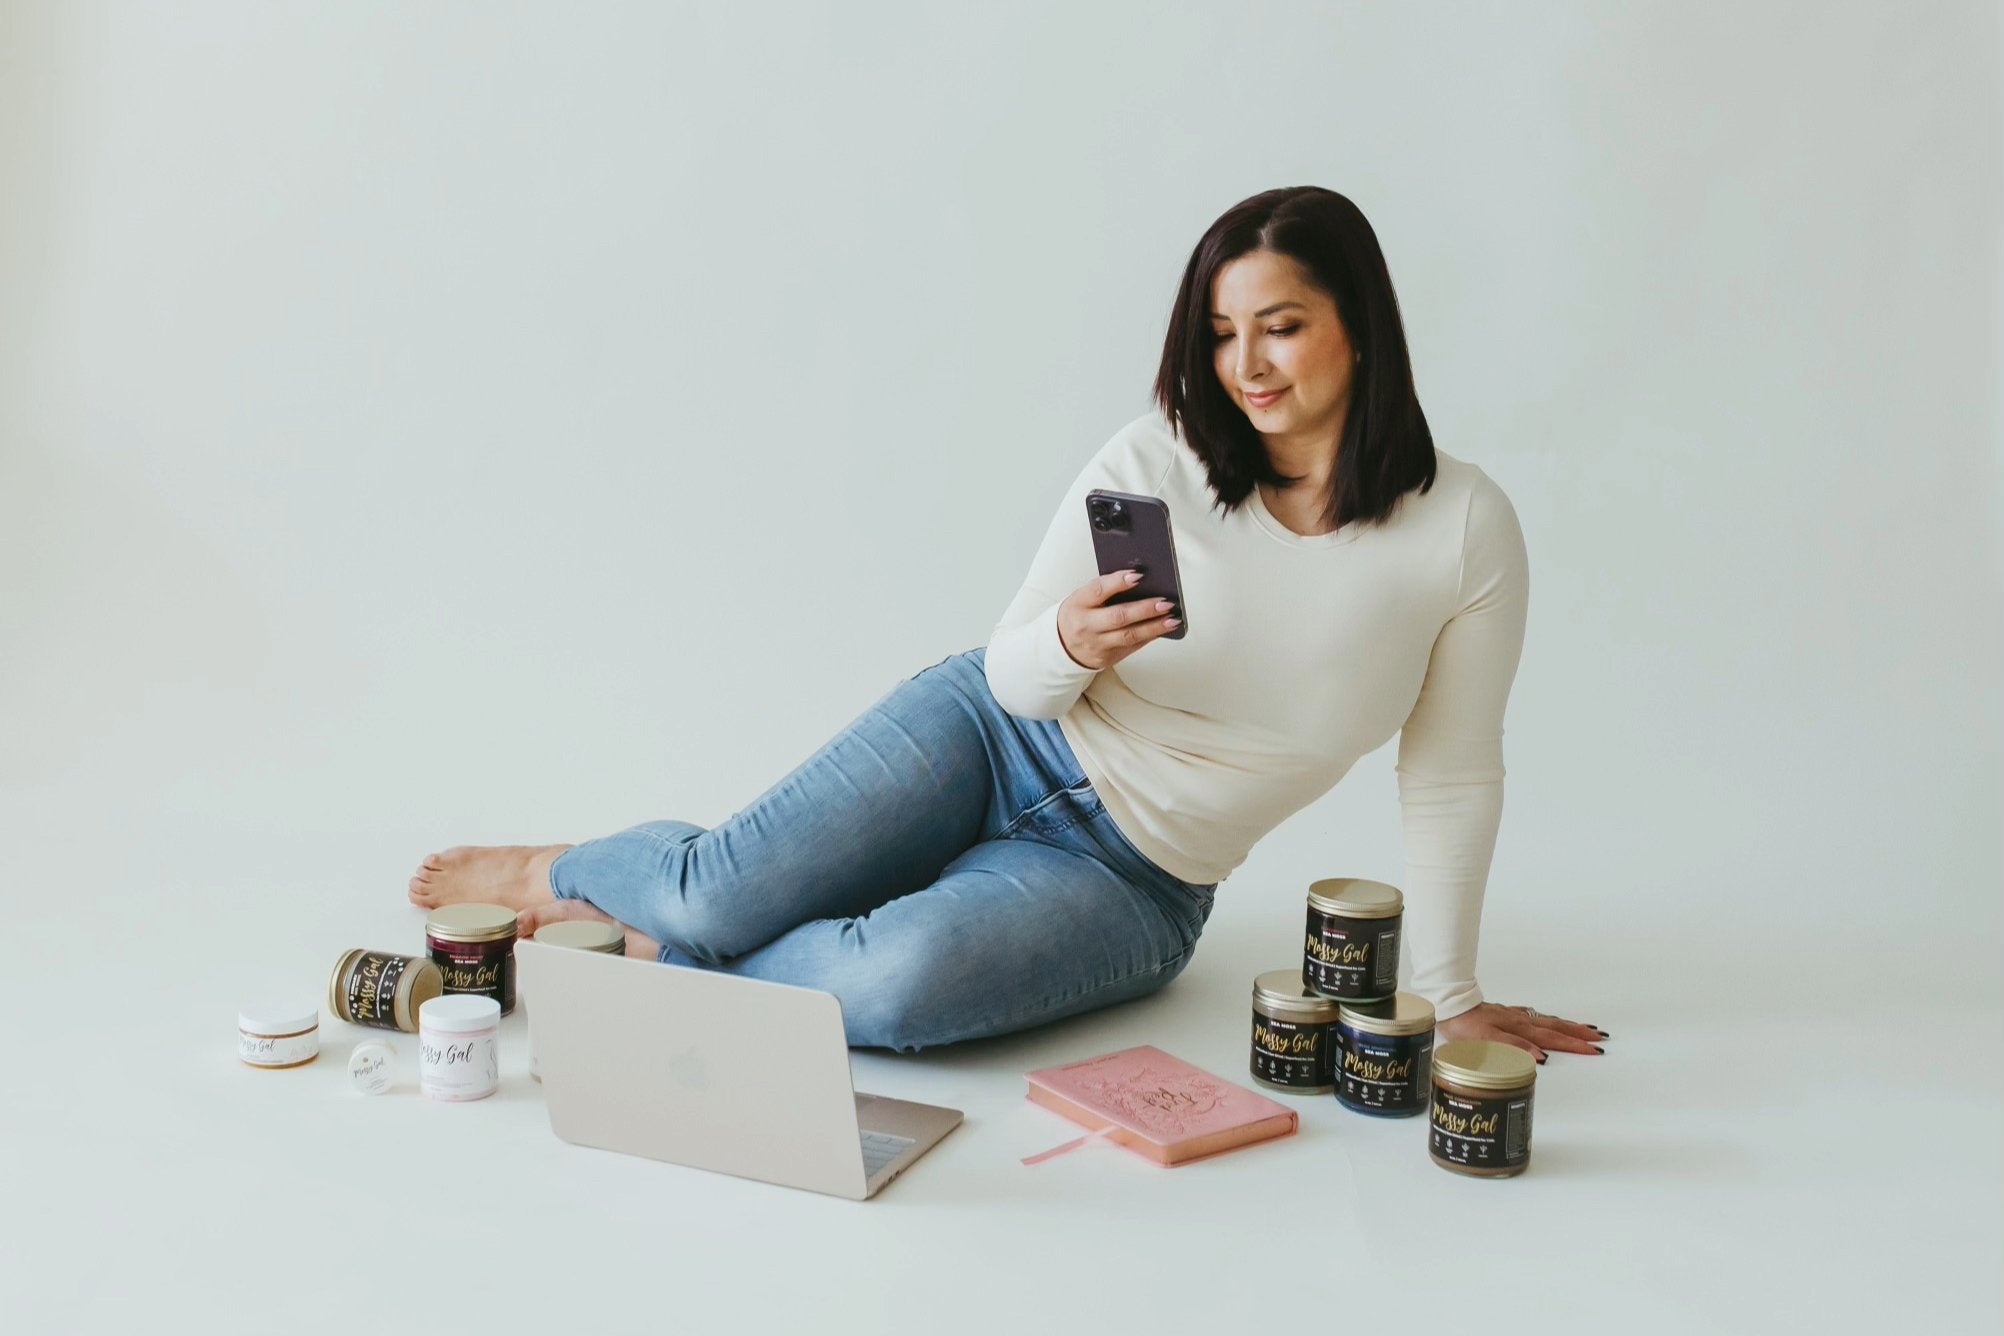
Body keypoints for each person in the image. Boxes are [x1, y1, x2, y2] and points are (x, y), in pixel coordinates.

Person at [407, 185, 1605, 1064]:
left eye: (1280, 325)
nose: (1247, 364)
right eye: (1224, 332)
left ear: (1360, 324)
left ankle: (650, 946)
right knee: (723, 892)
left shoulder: (1462, 528)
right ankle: (568, 872)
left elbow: (1449, 776)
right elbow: (1017, 676)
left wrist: (1450, 998)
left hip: (1136, 879)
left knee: (896, 994)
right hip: (993, 733)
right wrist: (1073, 648)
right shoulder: (1156, 461)